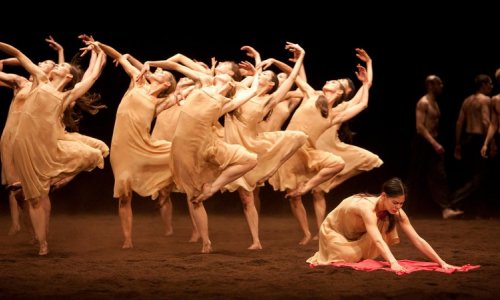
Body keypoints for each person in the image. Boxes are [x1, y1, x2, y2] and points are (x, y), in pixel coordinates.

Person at [0, 40, 107, 255]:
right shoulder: (39, 80)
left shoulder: (67, 96)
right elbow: (19, 53)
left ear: (67, 77)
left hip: (45, 144)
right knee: (33, 197)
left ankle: (43, 238)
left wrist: (99, 52)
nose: (58, 66)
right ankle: (41, 241)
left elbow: (92, 76)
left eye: (61, 66)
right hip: (23, 142)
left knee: (93, 153)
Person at [268, 51, 371, 245]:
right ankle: (306, 233)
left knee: (337, 163)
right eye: (330, 81)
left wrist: (366, 82)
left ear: (340, 93)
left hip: (308, 152)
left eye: (334, 83)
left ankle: (307, 187)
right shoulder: (311, 95)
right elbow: (294, 74)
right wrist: (283, 60)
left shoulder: (334, 115)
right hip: (289, 150)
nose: (330, 81)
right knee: (293, 196)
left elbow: (363, 103)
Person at [91, 40, 179, 249]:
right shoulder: (137, 82)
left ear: (166, 84)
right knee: (124, 194)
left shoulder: (161, 102)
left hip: (143, 145)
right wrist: (98, 45)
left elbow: (186, 91)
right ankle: (128, 239)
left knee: (180, 152)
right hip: (121, 146)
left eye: (161, 73)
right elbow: (120, 56)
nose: (156, 71)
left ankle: (202, 177)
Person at [306, 177, 460, 273]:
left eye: (401, 203)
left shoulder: (396, 211)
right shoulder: (367, 208)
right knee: (347, 259)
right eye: (395, 202)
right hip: (334, 232)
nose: (398, 207)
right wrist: (393, 263)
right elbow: (378, 240)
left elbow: (417, 239)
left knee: (385, 225)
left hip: (356, 234)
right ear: (384, 196)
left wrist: (441, 262)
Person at [408, 75, 463, 219]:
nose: (442, 86)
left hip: (432, 141)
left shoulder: (435, 103)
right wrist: (434, 143)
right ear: (431, 85)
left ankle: (445, 209)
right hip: (423, 143)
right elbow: (420, 127)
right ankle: (403, 209)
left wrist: (435, 141)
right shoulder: (423, 102)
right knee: (416, 176)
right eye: (439, 84)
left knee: (439, 175)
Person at [453, 74, 493, 215]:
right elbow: (485, 121)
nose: (491, 86)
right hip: (479, 139)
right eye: (490, 84)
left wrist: (458, 144)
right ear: (483, 85)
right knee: (478, 176)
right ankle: (456, 201)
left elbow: (459, 123)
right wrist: (490, 142)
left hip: (467, 139)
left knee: (472, 175)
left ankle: (473, 208)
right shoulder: (485, 100)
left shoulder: (467, 100)